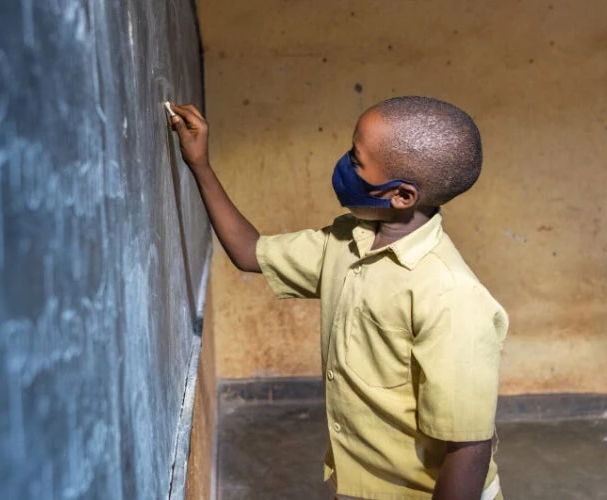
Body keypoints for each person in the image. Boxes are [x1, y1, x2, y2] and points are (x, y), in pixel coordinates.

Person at [168, 96, 508, 499]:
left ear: (401, 195)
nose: (344, 165)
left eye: (356, 159)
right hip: (359, 485)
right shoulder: (347, 241)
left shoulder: (452, 296)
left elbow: (468, 451)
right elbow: (249, 251)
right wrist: (200, 165)